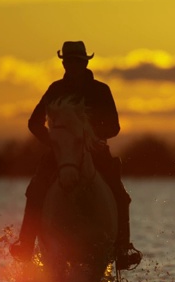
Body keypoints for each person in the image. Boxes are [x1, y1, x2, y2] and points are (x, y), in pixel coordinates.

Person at [10, 41, 136, 269]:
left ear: (85, 62)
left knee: (120, 195)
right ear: (64, 63)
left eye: (76, 61)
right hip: (61, 154)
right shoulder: (55, 89)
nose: (71, 65)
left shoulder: (101, 90)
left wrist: (94, 139)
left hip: (95, 152)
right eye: (68, 61)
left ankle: (122, 250)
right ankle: (25, 245)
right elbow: (33, 123)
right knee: (35, 189)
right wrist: (56, 143)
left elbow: (114, 127)